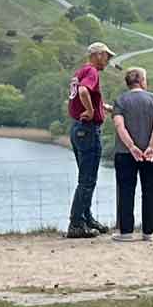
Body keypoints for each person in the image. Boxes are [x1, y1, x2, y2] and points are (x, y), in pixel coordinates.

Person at [110, 65, 153, 241]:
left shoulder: (120, 101)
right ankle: (148, 232)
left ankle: (126, 232)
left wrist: (131, 146)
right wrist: (151, 146)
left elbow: (119, 125)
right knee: (150, 191)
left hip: (125, 154)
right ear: (141, 81)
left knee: (126, 191)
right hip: (152, 154)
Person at [63, 41, 111, 239]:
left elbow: (80, 95)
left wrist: (101, 107)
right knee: (87, 179)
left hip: (77, 129)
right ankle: (76, 224)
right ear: (98, 55)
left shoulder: (80, 71)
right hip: (88, 130)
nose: (108, 60)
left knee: (85, 176)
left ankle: (86, 217)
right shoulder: (92, 72)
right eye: (107, 56)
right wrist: (91, 111)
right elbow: (84, 92)